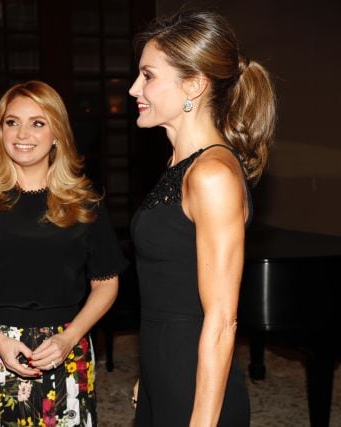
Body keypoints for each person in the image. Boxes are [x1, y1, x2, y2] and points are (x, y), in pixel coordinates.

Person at [127, 10, 276, 426]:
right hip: (166, 374)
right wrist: (149, 375)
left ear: (192, 84)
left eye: (148, 75)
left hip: (194, 389)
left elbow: (222, 320)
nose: (134, 87)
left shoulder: (212, 175)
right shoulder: (179, 165)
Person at [0, 80, 128, 426]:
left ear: (57, 133)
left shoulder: (85, 200)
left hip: (67, 347)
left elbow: (106, 283)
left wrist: (69, 338)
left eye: (37, 122)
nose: (22, 133)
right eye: (11, 122)